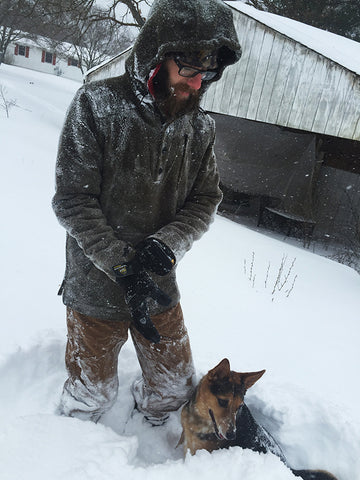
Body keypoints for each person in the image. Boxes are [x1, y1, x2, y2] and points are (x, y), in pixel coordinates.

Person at [52, 0, 241, 425]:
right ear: (157, 58)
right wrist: (123, 266)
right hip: (95, 283)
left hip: (157, 281)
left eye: (208, 73)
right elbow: (72, 200)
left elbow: (205, 199)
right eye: (189, 70)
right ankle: (71, 446)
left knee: (173, 388)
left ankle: (151, 427)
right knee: (92, 394)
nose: (197, 84)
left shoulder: (200, 127)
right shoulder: (96, 106)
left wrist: (164, 246)